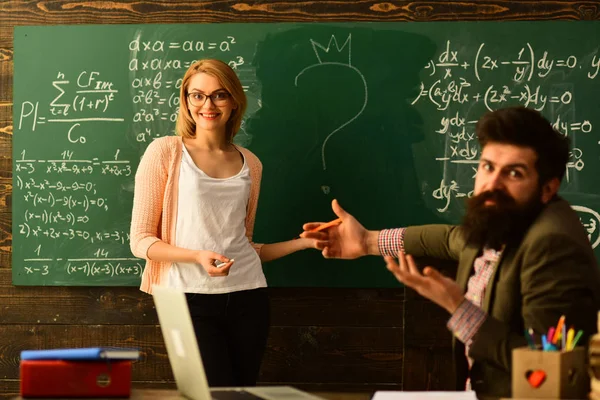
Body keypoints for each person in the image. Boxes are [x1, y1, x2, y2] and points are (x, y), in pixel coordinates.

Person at [301, 106, 600, 399]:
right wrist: (368, 241)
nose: (491, 184)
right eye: (487, 166)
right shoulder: (507, 218)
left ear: (548, 188)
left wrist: (458, 308)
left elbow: (545, 370)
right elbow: (450, 239)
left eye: (514, 173)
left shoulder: (552, 247)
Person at [130, 59, 322, 387]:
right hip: (187, 296)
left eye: (219, 95)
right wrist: (198, 256)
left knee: (243, 392)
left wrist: (305, 242)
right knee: (211, 394)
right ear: (186, 100)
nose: (208, 105)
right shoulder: (165, 152)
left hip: (249, 295)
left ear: (234, 101)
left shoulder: (252, 163)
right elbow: (141, 241)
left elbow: (244, 246)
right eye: (197, 95)